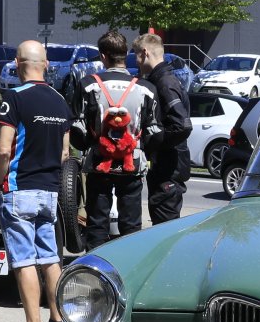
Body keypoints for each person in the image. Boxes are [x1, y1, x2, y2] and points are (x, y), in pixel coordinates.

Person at [0, 42, 72, 322]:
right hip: (49, 190)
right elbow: (65, 152)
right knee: (50, 258)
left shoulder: (14, 97)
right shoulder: (60, 100)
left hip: (19, 187)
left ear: (17, 64)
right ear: (47, 64)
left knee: (24, 260)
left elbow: (3, 148)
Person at [76, 31, 156, 249]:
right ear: (126, 53)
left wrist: (89, 143)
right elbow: (154, 130)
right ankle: (129, 265)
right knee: (131, 225)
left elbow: (77, 128)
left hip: (98, 162)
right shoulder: (146, 88)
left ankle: (96, 266)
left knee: (96, 224)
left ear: (103, 56)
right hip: (132, 162)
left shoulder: (88, 84)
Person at [134, 33, 191, 225]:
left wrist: (154, 141)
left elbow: (182, 125)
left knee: (165, 228)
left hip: (168, 169)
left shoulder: (164, 83)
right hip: (167, 166)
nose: (136, 62)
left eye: (136, 55)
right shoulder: (163, 79)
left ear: (144, 53)